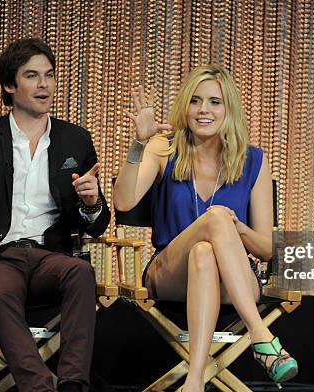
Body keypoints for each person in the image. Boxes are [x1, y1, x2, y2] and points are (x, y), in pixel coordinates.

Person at [0, 38, 110, 392]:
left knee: (80, 273)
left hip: (49, 256)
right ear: (10, 85)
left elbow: (97, 223)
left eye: (50, 75)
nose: (44, 84)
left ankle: (74, 384)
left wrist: (91, 204)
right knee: (1, 291)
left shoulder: (75, 140)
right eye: (32, 76)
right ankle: (38, 387)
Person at [113, 65, 298, 391]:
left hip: (236, 276)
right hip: (169, 273)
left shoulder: (253, 160)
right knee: (212, 222)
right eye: (196, 101)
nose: (203, 110)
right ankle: (261, 336)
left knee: (204, 252)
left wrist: (236, 227)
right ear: (185, 106)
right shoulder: (163, 148)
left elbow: (267, 250)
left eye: (215, 102)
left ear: (229, 109)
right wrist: (138, 146)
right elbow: (125, 202)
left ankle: (194, 380)